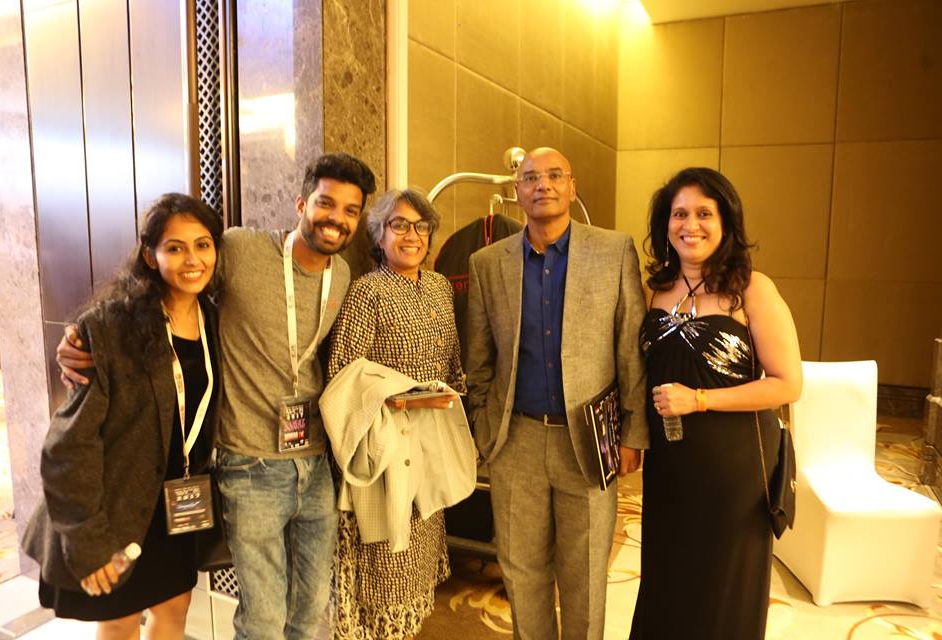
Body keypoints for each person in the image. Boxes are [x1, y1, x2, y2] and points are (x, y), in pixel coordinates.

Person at [56, 153, 378, 640]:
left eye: (350, 210)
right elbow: (171, 271)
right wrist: (84, 334)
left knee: (312, 610)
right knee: (262, 620)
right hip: (250, 466)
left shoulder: (344, 275)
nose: (336, 218)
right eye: (325, 203)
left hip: (314, 464)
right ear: (301, 204)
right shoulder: (240, 248)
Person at [466, 147, 648, 640]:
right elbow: (479, 359)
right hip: (515, 441)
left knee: (584, 573)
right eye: (530, 178)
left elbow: (630, 348)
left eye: (553, 176)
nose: (542, 185)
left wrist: (633, 432)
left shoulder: (614, 251)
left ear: (571, 187)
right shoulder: (487, 263)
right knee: (521, 572)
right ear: (517, 191)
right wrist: (484, 428)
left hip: (587, 439)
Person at [23, 193, 223, 640]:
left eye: (203, 245)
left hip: (177, 503)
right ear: (151, 256)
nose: (193, 259)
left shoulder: (213, 318)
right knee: (119, 619)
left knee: (174, 608)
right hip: (116, 503)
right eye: (175, 248)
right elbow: (67, 447)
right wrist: (88, 540)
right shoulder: (112, 326)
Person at [630, 167, 802, 639]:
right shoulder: (653, 290)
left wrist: (699, 399)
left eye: (704, 213)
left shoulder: (752, 289)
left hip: (734, 470)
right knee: (668, 579)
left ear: (726, 222)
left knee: (722, 588)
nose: (691, 225)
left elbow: (787, 385)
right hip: (669, 466)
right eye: (679, 214)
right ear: (665, 224)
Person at [324, 189, 466, 639]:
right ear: (378, 235)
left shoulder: (440, 287)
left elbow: (452, 363)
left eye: (421, 226)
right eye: (399, 225)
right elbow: (343, 377)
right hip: (384, 448)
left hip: (430, 441)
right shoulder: (367, 292)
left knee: (419, 548)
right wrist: (398, 399)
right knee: (386, 557)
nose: (412, 236)